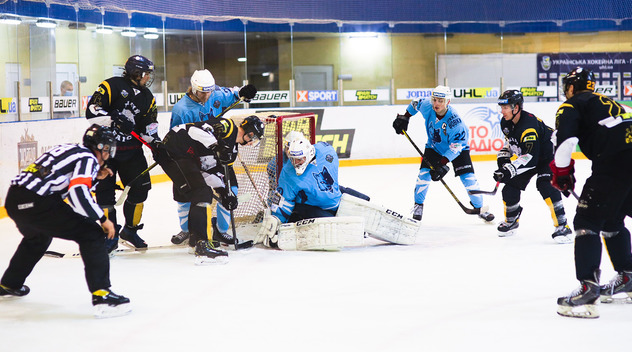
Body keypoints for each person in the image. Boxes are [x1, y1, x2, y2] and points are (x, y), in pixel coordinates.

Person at [0, 124, 131, 318]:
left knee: (38, 238)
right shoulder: (88, 158)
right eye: (107, 148)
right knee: (92, 234)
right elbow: (77, 193)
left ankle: (9, 283)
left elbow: (67, 186)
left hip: (14, 199)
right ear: (100, 146)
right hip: (37, 201)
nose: (108, 153)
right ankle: (102, 294)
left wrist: (96, 177)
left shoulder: (72, 149)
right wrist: (103, 219)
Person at [552, 67, 632, 319]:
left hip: (614, 163)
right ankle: (628, 277)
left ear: (572, 87)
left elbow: (565, 142)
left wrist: (562, 173)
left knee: (586, 221)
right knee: (612, 218)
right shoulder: (609, 102)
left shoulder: (571, 105)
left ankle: (588, 288)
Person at [156, 116, 264, 262]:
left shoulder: (231, 152)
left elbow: (209, 171)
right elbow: (194, 130)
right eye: (254, 138)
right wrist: (216, 146)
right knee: (202, 194)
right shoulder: (228, 127)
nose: (252, 143)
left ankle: (196, 241)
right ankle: (203, 244)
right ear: (250, 133)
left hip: (187, 158)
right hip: (175, 147)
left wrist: (224, 191)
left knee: (200, 193)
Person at [168, 69, 256, 246]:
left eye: (209, 91)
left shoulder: (215, 94)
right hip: (192, 155)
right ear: (194, 88)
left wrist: (242, 93)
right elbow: (177, 138)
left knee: (230, 190)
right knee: (184, 194)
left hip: (217, 152)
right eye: (202, 92)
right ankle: (186, 229)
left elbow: (233, 95)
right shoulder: (181, 110)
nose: (207, 96)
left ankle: (221, 231)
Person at [85, 55, 161, 253]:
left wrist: (157, 143)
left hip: (132, 152)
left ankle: (130, 230)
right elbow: (91, 111)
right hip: (105, 153)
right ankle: (109, 235)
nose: (148, 78)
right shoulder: (111, 86)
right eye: (146, 74)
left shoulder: (147, 97)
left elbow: (149, 126)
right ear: (136, 73)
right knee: (104, 196)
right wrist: (114, 118)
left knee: (141, 190)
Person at [392, 85, 494, 222]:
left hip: (458, 149)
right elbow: (415, 102)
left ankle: (479, 208)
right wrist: (405, 117)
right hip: (434, 147)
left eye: (441, 101)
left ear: (448, 102)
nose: (436, 104)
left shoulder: (455, 122)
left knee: (468, 179)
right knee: (423, 176)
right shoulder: (427, 105)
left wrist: (441, 165)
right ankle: (418, 205)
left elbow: (456, 147)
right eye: (435, 100)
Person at [256, 132, 371, 247]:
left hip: (327, 192)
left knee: (364, 200)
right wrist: (277, 219)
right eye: (293, 158)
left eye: (299, 159)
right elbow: (279, 194)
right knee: (331, 223)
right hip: (306, 202)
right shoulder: (285, 171)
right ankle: (295, 218)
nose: (295, 163)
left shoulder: (325, 152)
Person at [493, 90, 573, 243]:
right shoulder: (506, 122)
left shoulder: (528, 126)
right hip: (531, 155)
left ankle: (563, 226)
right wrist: (504, 159)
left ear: (516, 108)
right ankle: (511, 221)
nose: (502, 111)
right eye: (501, 107)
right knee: (510, 188)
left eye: (505, 107)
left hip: (548, 156)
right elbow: (512, 144)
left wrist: (509, 170)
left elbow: (530, 158)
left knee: (545, 185)